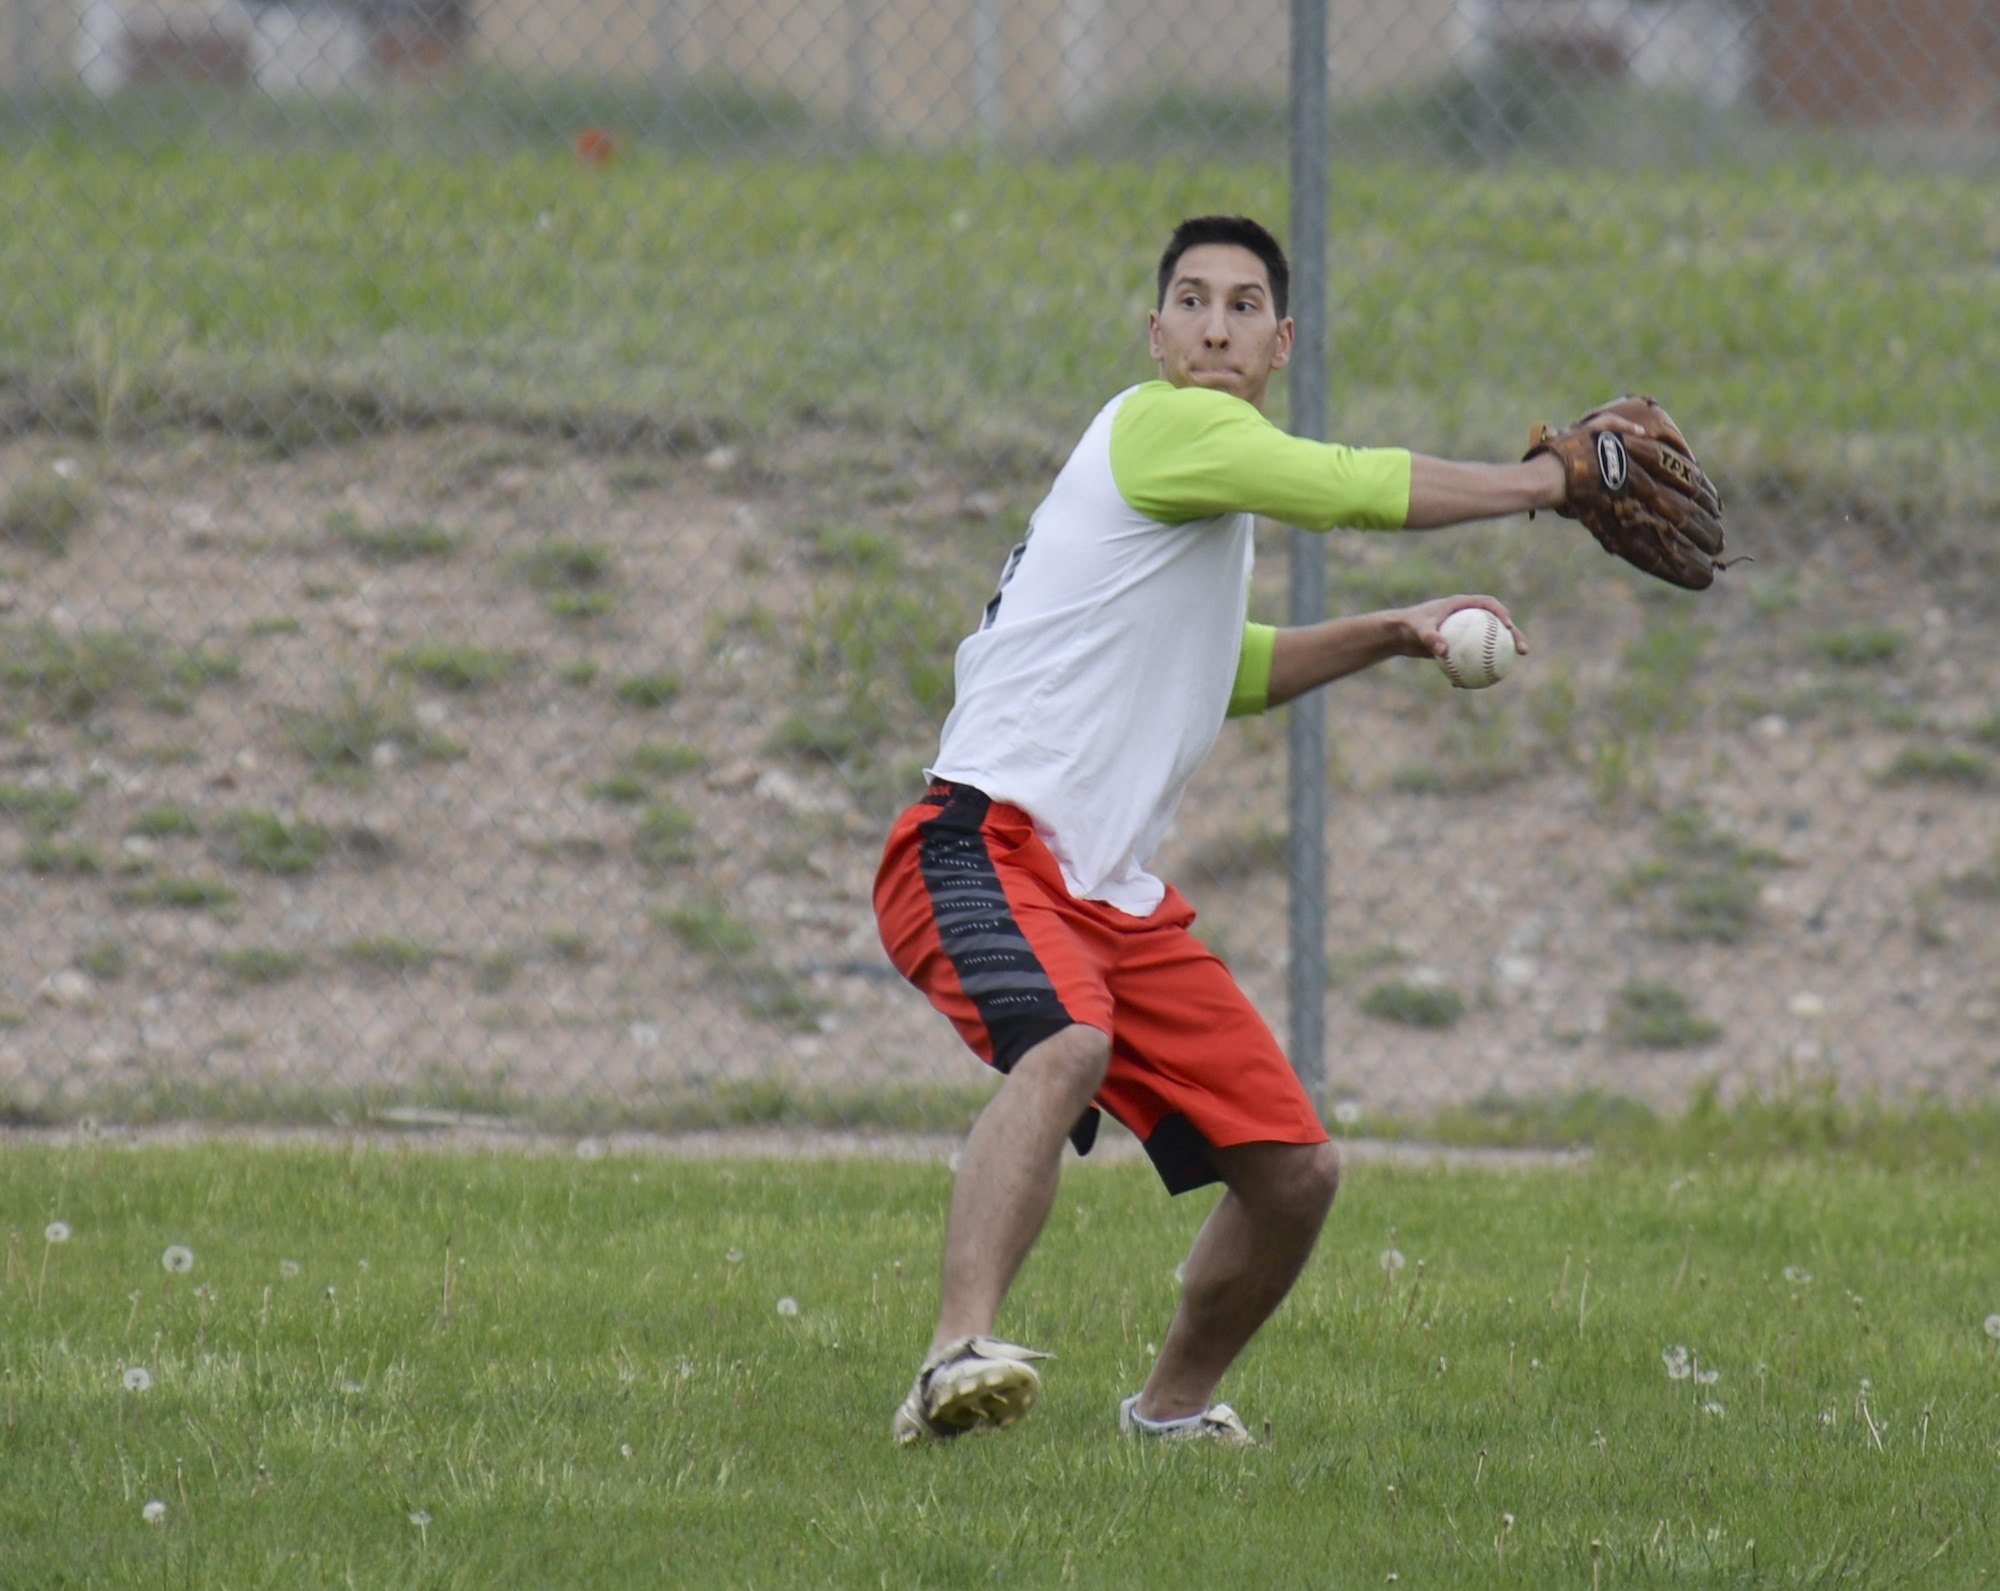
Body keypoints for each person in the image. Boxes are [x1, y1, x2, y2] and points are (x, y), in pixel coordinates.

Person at [873, 214, 1580, 1447]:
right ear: (1155, 336)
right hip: (975, 844)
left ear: (1279, 340)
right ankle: (952, 1355)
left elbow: (1220, 669)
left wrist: (1387, 633)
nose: (1213, 325)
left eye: (1242, 305)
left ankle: (1171, 1414)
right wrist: (1545, 484)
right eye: (1190, 302)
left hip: (1107, 894)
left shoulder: (1192, 492)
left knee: (1294, 1172)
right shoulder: (1166, 426)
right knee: (1065, 1045)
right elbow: (1347, 486)